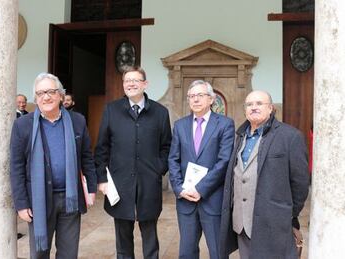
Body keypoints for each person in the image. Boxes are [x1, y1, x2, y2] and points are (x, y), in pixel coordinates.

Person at [10, 72, 97, 259]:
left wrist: (90, 189)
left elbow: (87, 157)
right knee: (40, 254)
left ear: (60, 95)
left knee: (68, 254)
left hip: (70, 199)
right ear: (36, 98)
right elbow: (16, 167)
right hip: (38, 200)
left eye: (51, 91)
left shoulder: (77, 121)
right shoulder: (22, 125)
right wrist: (21, 204)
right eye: (41, 93)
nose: (46, 97)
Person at [219, 90, 309, 259]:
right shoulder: (240, 136)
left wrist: (286, 213)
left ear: (271, 109)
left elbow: (301, 184)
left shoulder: (290, 136)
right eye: (249, 104)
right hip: (242, 223)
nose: (254, 107)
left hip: (273, 224)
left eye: (259, 103)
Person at [94, 66, 172, 259]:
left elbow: (167, 147)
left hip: (149, 182)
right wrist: (102, 179)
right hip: (119, 183)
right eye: (127, 81)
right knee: (122, 237)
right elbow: (102, 147)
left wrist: (159, 168)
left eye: (136, 80)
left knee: (150, 235)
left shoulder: (160, 112)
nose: (131, 84)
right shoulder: (112, 110)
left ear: (145, 84)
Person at [168, 80, 235, 259]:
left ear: (211, 99)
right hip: (186, 200)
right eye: (191, 96)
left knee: (218, 252)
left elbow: (224, 161)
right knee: (186, 252)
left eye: (200, 95)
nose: (195, 100)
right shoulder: (180, 125)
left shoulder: (225, 124)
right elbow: (173, 159)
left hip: (212, 199)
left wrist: (200, 188)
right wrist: (179, 188)